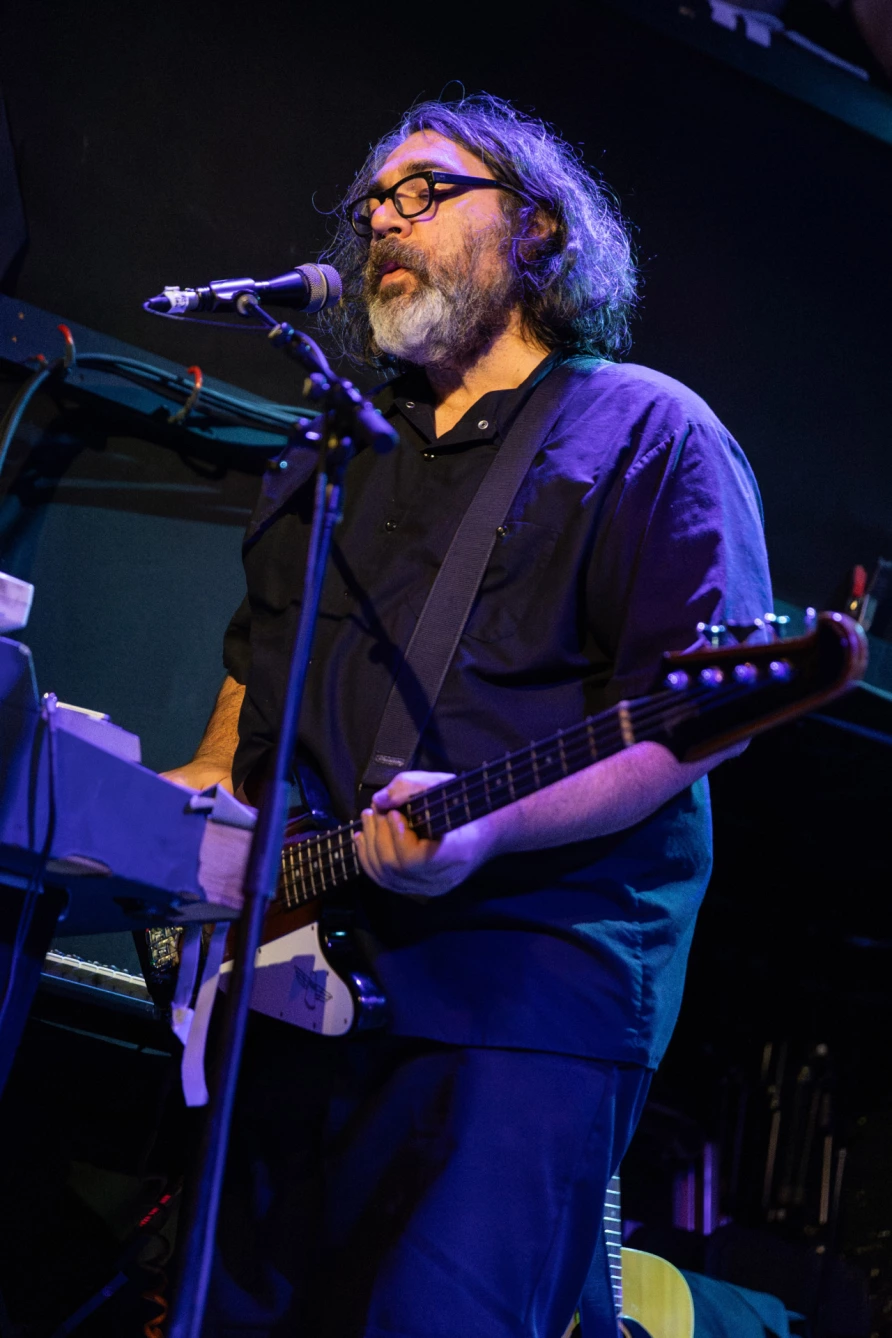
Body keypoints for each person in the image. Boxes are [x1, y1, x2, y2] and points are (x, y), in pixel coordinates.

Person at [165, 94, 772, 1338]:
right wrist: (203, 796)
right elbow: (257, 665)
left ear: (538, 232)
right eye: (374, 201)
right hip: (294, 975)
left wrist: (486, 833)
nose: (386, 217)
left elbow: (689, 722)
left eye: (428, 191)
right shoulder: (331, 453)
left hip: (523, 995)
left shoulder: (650, 431)